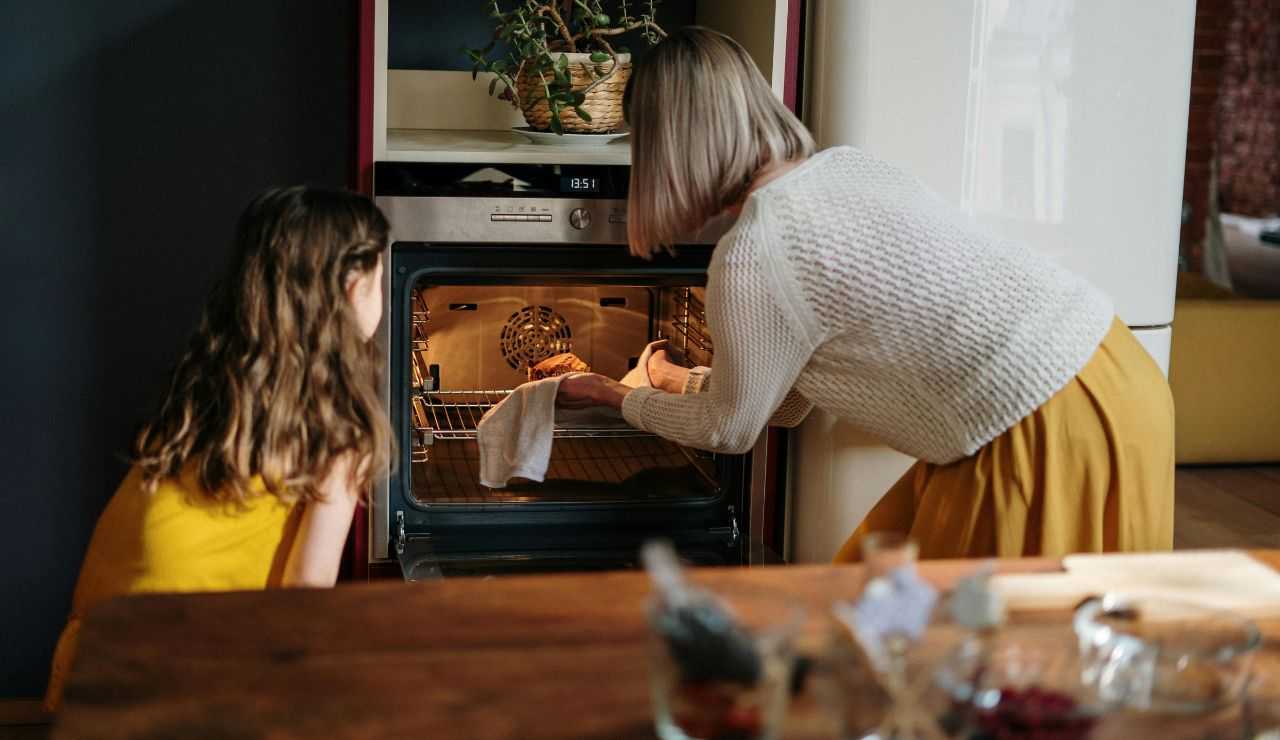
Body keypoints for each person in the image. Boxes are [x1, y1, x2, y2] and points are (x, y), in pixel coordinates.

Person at [557, 27, 1174, 562]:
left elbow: (730, 430)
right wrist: (666, 379)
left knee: (985, 657)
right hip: (1116, 376)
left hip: (1036, 430)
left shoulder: (754, 251)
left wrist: (612, 396)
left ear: (668, 147)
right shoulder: (850, 168)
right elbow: (785, 402)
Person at [44, 186, 392, 710]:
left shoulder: (211, 379)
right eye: (382, 278)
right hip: (199, 669)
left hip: (100, 651)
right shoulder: (339, 427)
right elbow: (306, 593)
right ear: (351, 286)